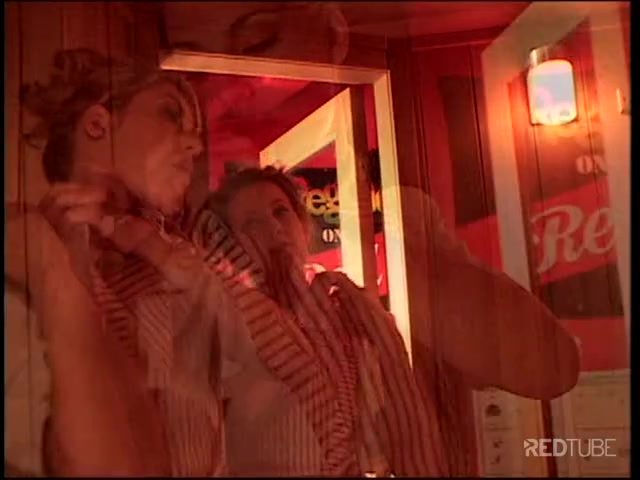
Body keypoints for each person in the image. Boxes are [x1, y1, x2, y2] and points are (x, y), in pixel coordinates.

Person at [191, 165, 580, 477]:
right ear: (230, 246)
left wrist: (439, 257)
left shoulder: (354, 314)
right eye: (252, 224)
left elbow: (404, 427)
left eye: (281, 212)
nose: (274, 228)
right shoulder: (224, 326)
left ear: (304, 225)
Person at [6, 48, 224, 476]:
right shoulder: (23, 260)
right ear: (97, 125)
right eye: (170, 114)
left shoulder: (178, 273)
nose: (196, 145)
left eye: (197, 133)